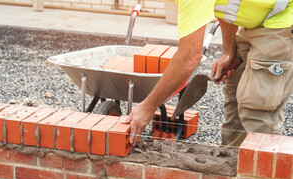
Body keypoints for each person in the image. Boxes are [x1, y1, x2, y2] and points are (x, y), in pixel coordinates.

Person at [123, 0, 293, 148]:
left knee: (256, 107)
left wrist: (148, 107)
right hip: (256, 20)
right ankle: (231, 164)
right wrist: (228, 51)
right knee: (234, 95)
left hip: (282, 19)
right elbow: (226, 9)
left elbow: (190, 56)